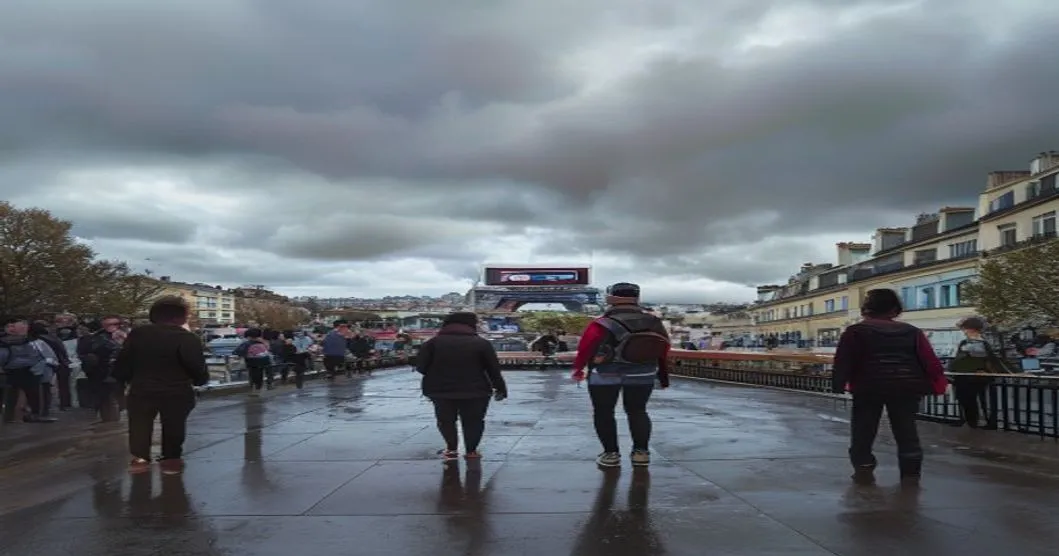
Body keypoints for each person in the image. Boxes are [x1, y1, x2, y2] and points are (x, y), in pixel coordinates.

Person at [832, 288, 948, 485]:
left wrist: (838, 384)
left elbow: (843, 361)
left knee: (863, 429)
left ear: (866, 309)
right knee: (906, 430)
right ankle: (911, 471)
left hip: (868, 386)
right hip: (907, 387)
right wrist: (937, 383)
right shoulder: (912, 332)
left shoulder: (855, 332)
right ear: (895, 309)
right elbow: (930, 361)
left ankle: (864, 464)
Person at [571, 283, 672, 468]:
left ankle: (611, 454)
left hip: (605, 374)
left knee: (603, 411)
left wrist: (578, 370)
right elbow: (663, 348)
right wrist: (663, 377)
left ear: (611, 298)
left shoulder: (600, 323)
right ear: (637, 298)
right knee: (637, 410)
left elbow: (585, 349)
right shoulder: (654, 321)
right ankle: (641, 453)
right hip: (643, 372)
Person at [113, 296, 209, 474]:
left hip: (142, 389)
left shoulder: (138, 334)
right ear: (179, 317)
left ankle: (140, 459)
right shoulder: (187, 338)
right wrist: (200, 380)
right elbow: (195, 366)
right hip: (176, 390)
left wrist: (122, 381)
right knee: (174, 425)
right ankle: (171, 460)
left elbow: (124, 362)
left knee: (139, 425)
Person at [416, 312, 507, 461]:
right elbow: (493, 369)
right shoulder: (481, 343)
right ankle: (471, 450)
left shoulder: (432, 343)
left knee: (446, 420)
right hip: (476, 390)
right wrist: (501, 388)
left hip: (440, 389)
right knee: (474, 421)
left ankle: (451, 449)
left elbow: (421, 367)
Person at [948, 316, 1005, 429]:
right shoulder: (979, 342)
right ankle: (976, 421)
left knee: (969, 401)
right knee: (975, 400)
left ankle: (974, 422)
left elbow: (965, 360)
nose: (964, 332)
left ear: (971, 329)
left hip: (970, 378)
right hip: (974, 377)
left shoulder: (974, 342)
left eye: (965, 329)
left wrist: (951, 369)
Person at [0, 317, 60, 423]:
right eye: (10, 326)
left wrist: (40, 367)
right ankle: (11, 417)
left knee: (32, 393)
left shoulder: (36, 341)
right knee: (12, 394)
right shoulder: (4, 342)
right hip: (11, 371)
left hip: (29, 371)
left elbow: (48, 356)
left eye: (24, 325)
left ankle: (33, 414)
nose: (12, 329)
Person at [76, 315, 125, 421]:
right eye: (108, 324)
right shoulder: (91, 339)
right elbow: (83, 355)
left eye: (115, 324)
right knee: (106, 399)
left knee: (113, 398)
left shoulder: (126, 337)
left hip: (118, 373)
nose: (112, 326)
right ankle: (109, 422)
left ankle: (110, 422)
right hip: (100, 374)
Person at [234, 328, 273, 395]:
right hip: (264, 361)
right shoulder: (264, 343)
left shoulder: (247, 344)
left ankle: (253, 390)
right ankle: (258, 389)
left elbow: (237, 352)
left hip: (252, 362)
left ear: (249, 336)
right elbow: (268, 350)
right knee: (259, 376)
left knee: (253, 376)